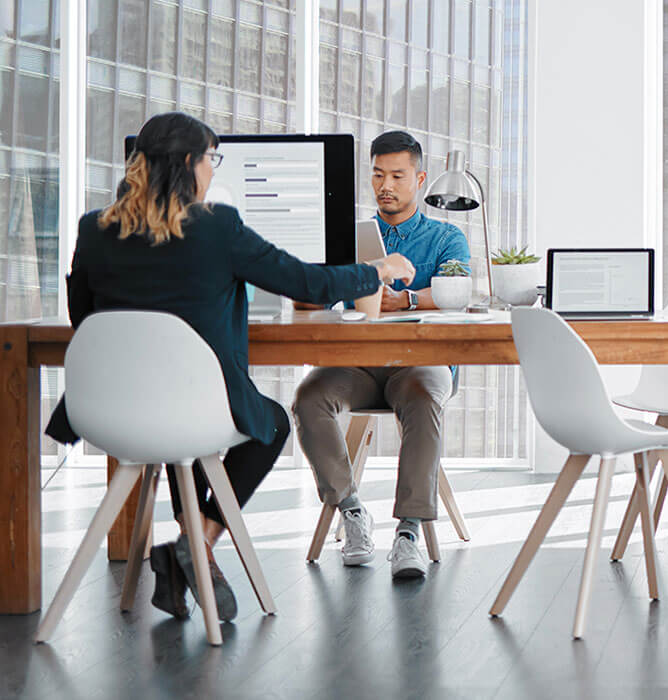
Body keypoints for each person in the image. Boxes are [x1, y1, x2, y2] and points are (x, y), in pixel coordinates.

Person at [45, 112, 415, 620]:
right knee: (269, 423)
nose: (214, 172)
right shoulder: (216, 226)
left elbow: (83, 317)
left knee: (173, 426)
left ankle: (188, 546)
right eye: (211, 160)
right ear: (191, 165)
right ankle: (197, 545)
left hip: (109, 411)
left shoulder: (94, 228)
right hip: (194, 410)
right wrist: (378, 270)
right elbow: (308, 283)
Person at [292, 130, 470, 579]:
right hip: (356, 363)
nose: (385, 185)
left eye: (396, 175)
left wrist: (408, 301)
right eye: (377, 174)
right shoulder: (345, 237)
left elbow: (458, 292)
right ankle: (352, 513)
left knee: (426, 394)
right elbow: (315, 300)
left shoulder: (446, 238)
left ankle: (408, 532)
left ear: (420, 178)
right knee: (309, 398)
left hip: (419, 364)